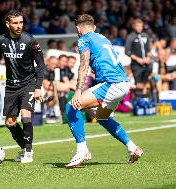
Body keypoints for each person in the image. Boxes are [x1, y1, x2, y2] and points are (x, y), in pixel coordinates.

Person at [65, 14, 143, 169]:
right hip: (122, 83)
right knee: (102, 118)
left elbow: (84, 64)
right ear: (93, 27)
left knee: (72, 106)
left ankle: (82, 150)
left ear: (78, 29)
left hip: (111, 84)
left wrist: (78, 91)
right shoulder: (102, 38)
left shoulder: (84, 39)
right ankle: (132, 147)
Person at [0, 10, 46, 163]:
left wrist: (38, 87)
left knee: (25, 115)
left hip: (28, 83)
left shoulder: (30, 40)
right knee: (10, 122)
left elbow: (41, 65)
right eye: (15, 23)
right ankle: (24, 147)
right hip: (11, 86)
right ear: (7, 24)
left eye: (21, 22)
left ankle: (28, 152)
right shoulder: (1, 40)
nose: (19, 26)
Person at [125, 18, 152, 96]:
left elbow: (149, 49)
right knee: (138, 84)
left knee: (145, 84)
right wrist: (138, 59)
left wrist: (148, 57)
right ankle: (138, 102)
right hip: (136, 64)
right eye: (138, 26)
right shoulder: (131, 37)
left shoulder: (145, 35)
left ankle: (145, 101)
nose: (139, 28)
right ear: (134, 26)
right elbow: (127, 51)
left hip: (146, 63)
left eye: (141, 26)